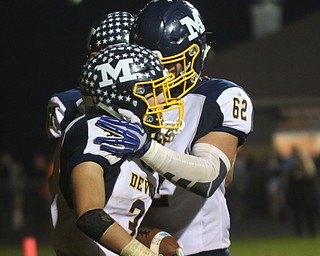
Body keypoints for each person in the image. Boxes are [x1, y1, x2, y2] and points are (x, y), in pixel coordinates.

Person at [94, 0, 254, 255]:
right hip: (130, 242)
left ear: (193, 55)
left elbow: (211, 177)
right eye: (152, 65)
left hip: (199, 247)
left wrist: (147, 149)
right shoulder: (126, 97)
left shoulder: (217, 97)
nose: (160, 75)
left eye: (168, 65)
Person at [50, 43, 184, 256]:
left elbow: (118, 218)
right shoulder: (93, 130)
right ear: (127, 94)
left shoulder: (139, 140)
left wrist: (151, 239)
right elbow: (90, 216)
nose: (163, 99)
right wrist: (142, 253)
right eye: (153, 90)